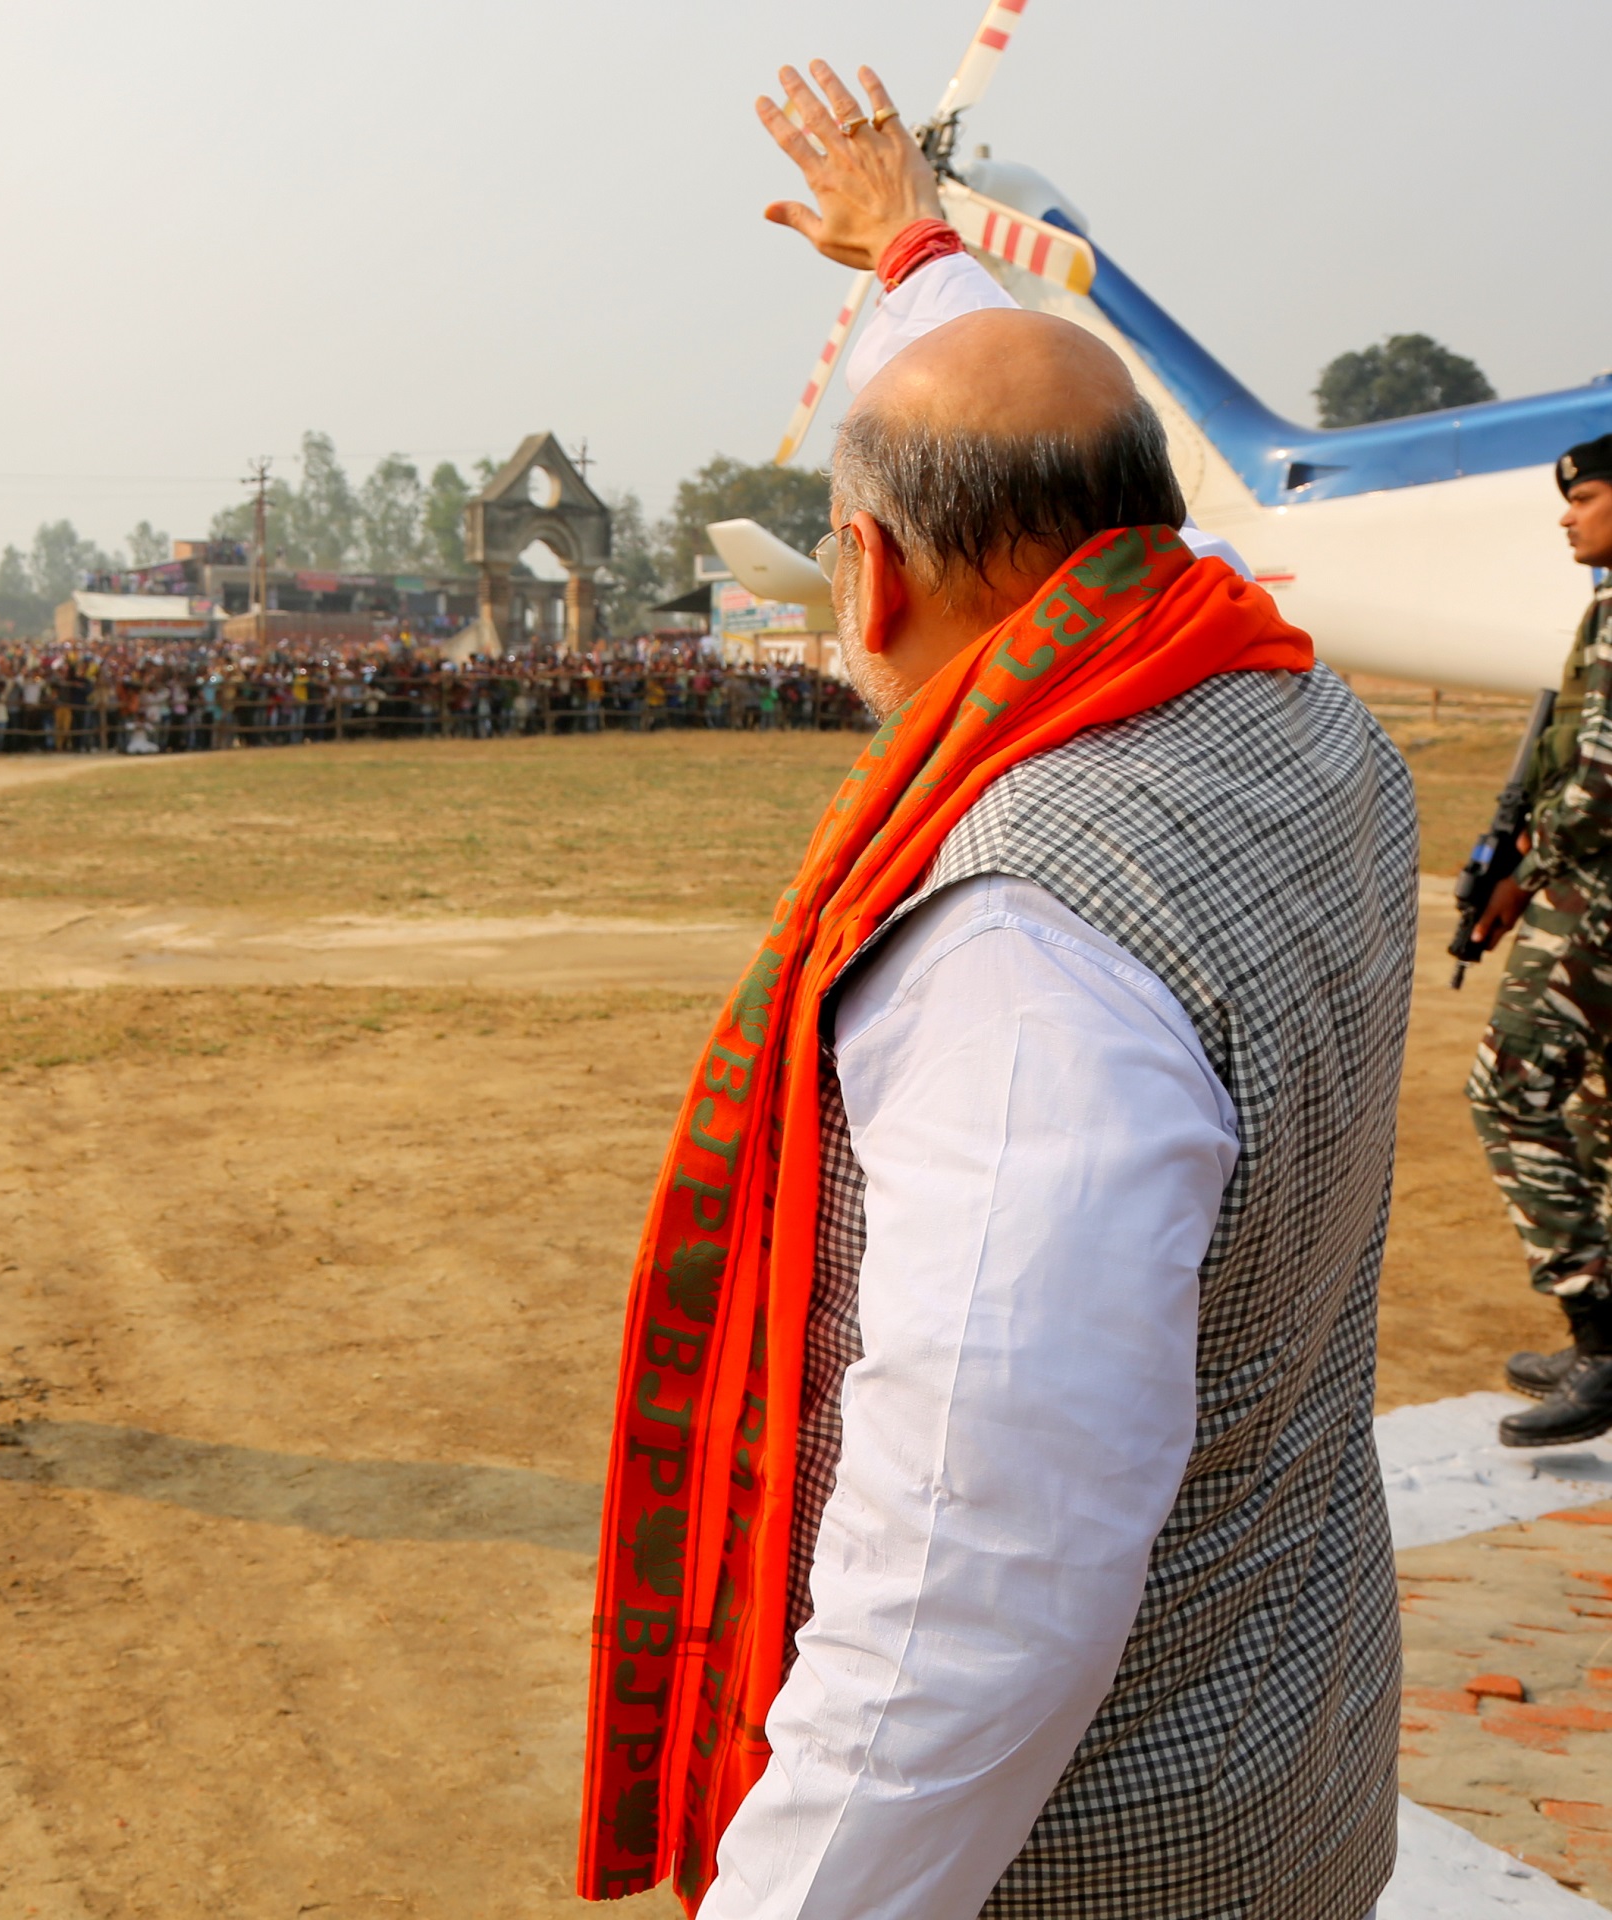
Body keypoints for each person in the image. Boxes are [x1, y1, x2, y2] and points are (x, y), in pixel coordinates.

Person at [577, 60, 1416, 1916]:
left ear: (863, 578)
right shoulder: (1305, 717)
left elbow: (973, 1588)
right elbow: (1022, 429)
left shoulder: (1023, 946)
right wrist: (915, 253)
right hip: (1297, 1748)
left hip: (1097, 1857)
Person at [1461, 433, 1612, 1446]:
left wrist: (1525, 875)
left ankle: (1602, 1341)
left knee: (1508, 1088)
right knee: (1596, 1110)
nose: (1567, 514)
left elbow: (1600, 784)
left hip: (1593, 901)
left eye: (1588, 497)